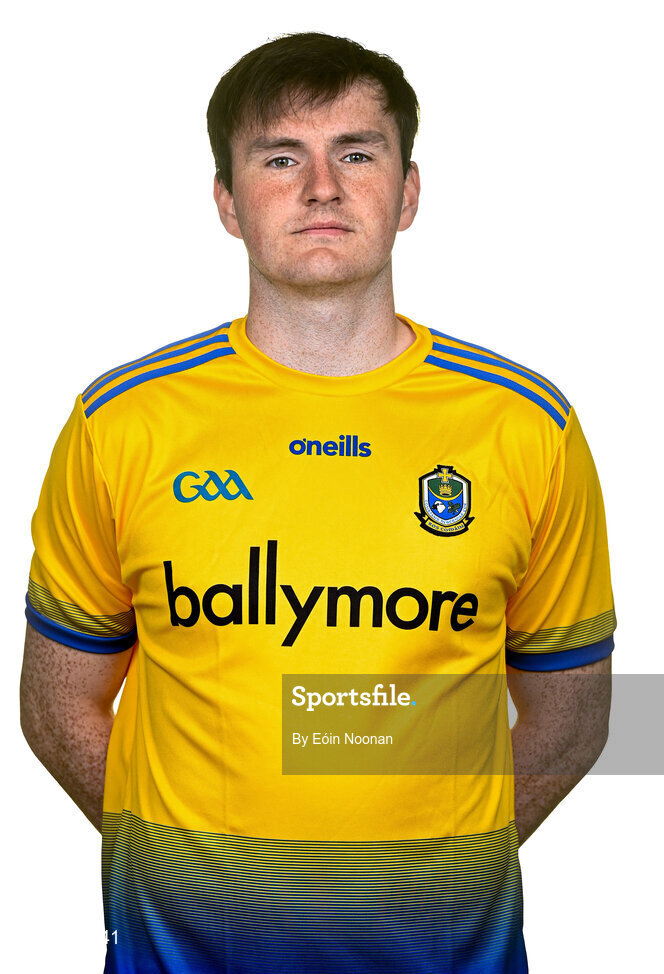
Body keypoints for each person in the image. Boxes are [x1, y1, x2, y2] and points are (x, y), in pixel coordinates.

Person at [20, 31, 615, 974]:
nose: (323, 188)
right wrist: (180, 871)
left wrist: (438, 877)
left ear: (409, 192)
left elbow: (572, 719)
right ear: (227, 201)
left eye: (357, 152)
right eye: (281, 157)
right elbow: (59, 706)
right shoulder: (120, 423)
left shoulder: (527, 428)